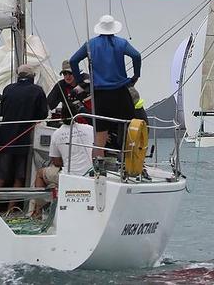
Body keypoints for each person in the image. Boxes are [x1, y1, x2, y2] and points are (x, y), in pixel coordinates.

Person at [69, 15, 140, 158]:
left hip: (100, 94)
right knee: (131, 127)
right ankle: (133, 164)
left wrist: (79, 81)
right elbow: (136, 56)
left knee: (100, 135)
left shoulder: (90, 44)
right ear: (114, 28)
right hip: (120, 92)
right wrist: (135, 76)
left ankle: (98, 167)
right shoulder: (122, 43)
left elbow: (73, 60)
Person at [0, 65, 48, 209]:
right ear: (32, 77)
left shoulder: (8, 89)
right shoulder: (37, 90)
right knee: (20, 175)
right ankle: (12, 209)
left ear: (18, 75)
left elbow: (3, 110)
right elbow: (43, 114)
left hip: (5, 138)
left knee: (1, 174)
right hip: (24, 139)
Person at [29, 107, 95, 218]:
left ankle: (37, 212)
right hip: (89, 174)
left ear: (61, 117)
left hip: (69, 176)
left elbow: (57, 162)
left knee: (40, 173)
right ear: (77, 115)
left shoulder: (57, 134)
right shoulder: (89, 129)